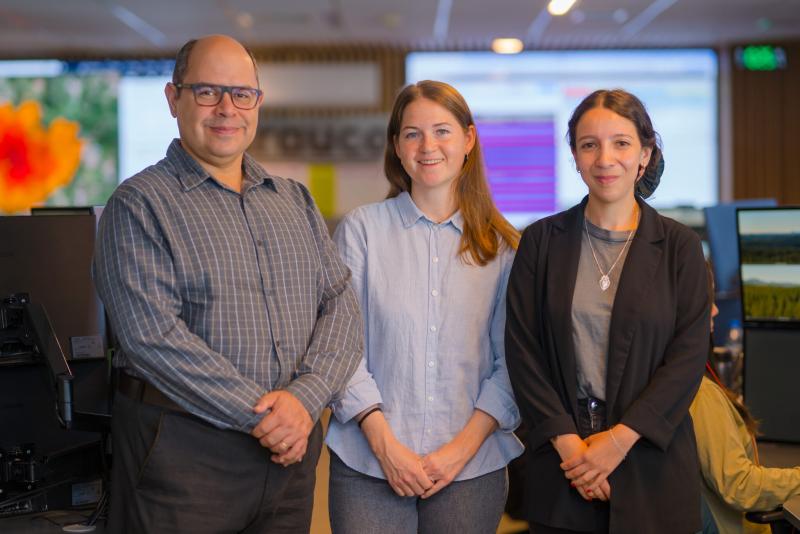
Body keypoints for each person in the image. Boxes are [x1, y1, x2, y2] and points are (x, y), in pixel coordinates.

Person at [93, 35, 363, 533]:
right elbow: (152, 337)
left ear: (257, 103)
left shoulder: (293, 201)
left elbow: (341, 305)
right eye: (207, 92)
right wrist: (267, 418)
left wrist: (305, 399)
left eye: (242, 94)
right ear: (174, 99)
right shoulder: (138, 205)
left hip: (288, 464)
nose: (226, 109)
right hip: (184, 460)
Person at [505, 88, 711, 534]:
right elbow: (523, 352)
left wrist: (616, 443)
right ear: (575, 156)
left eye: (620, 142)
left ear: (645, 154)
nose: (604, 158)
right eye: (589, 144)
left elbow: (689, 357)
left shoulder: (680, 247)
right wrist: (574, 452)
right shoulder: (540, 242)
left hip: (652, 464)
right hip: (563, 468)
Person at [325, 80, 524, 533]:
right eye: (412, 133)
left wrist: (457, 453)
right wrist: (385, 445)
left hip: (471, 467)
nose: (427, 145)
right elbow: (340, 348)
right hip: (368, 464)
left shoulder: (504, 249)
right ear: (396, 146)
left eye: (442, 131)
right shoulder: (362, 231)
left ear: (468, 140)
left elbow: (511, 364)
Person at [690, 267, 800, 534]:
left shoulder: (674, 383)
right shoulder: (702, 394)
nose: (716, 311)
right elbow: (739, 485)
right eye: (709, 301)